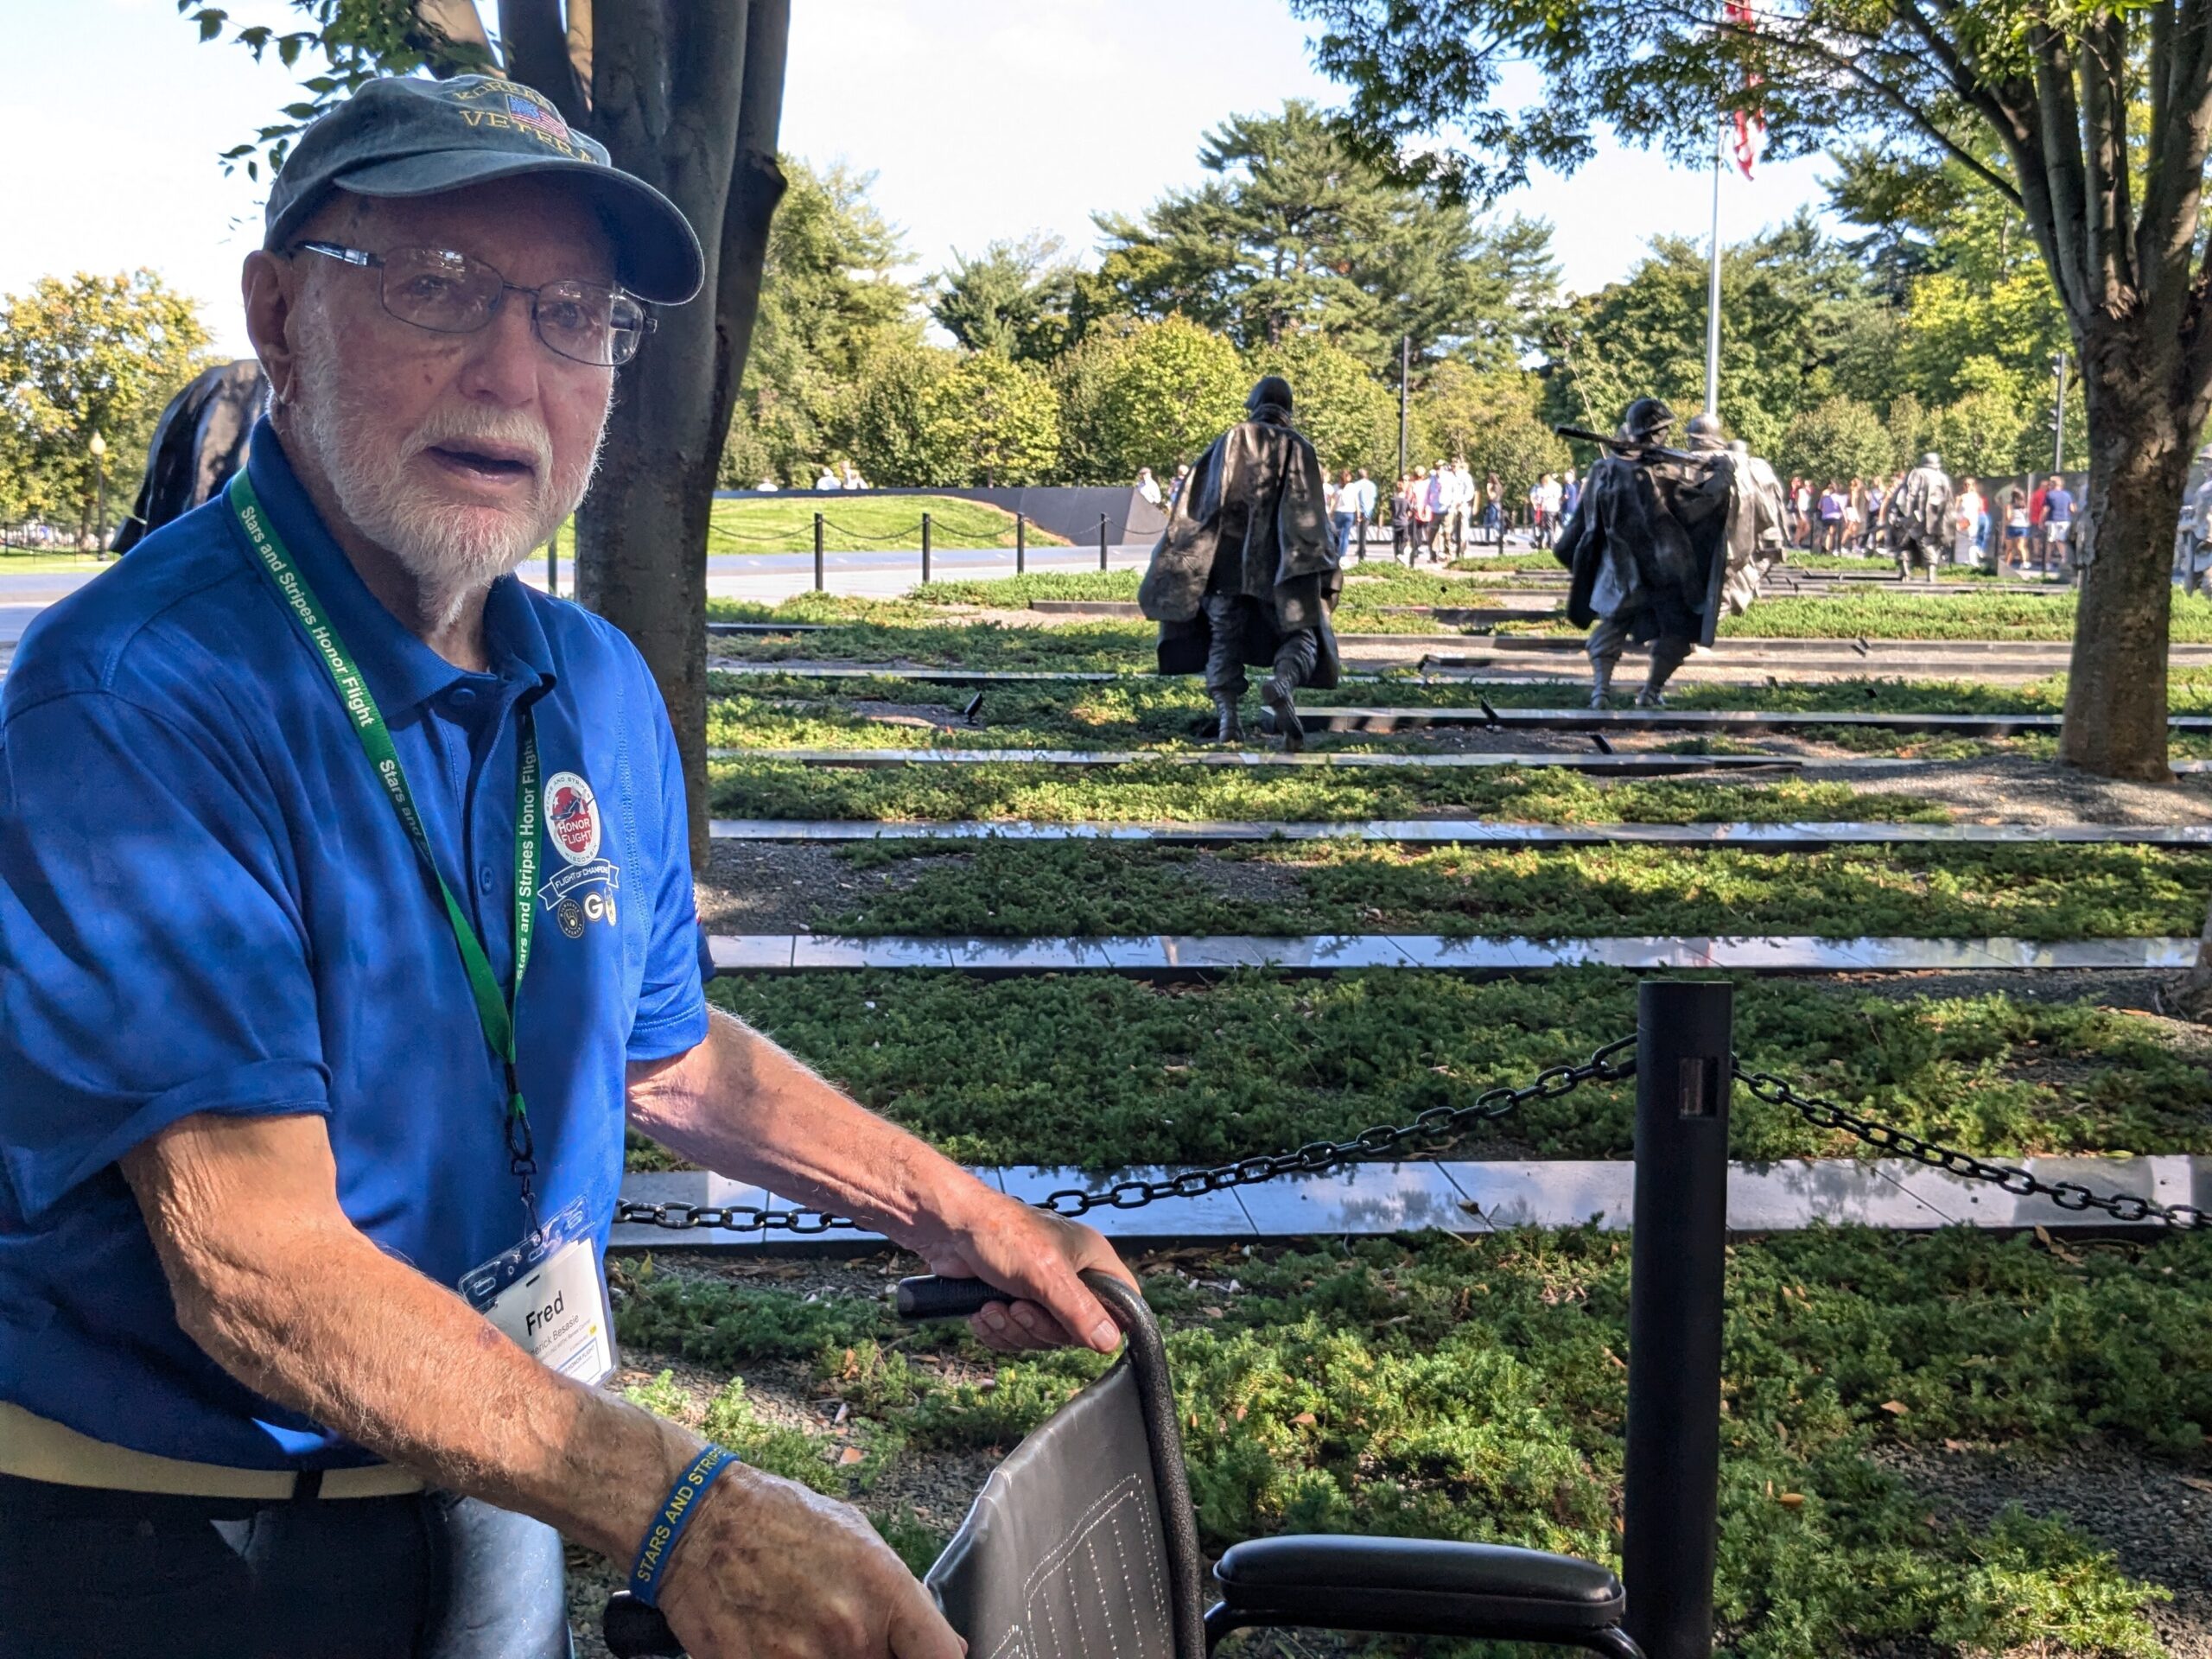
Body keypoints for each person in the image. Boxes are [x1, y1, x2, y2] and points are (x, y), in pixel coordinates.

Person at [0, 74, 1128, 1659]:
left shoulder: (592, 679)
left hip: (499, 1471)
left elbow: (662, 1052)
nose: (511, 374)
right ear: (279, 315)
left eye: (575, 315)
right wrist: (691, 1511)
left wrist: (957, 1210)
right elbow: (257, 1264)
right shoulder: (135, 701)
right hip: (187, 1544)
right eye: (438, 287)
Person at [1138, 374, 1342, 750]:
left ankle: (1228, 721)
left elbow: (1197, 502)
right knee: (1301, 634)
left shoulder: (1228, 440)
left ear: (1255, 404)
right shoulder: (1300, 447)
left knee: (1224, 640)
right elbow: (1311, 516)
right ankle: (1283, 684)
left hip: (1224, 571)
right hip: (1284, 569)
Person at [1554, 397, 1732, 709]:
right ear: (1658, 432)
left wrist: (1574, 555)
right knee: (1677, 630)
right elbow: (1694, 508)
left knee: (1613, 626)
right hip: (1662, 569)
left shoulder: (1603, 470)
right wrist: (1722, 477)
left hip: (1619, 569)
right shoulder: (1663, 472)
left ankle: (1603, 691)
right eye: (1664, 430)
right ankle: (1647, 691)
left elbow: (1581, 525)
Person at [1884, 452, 1955, 578]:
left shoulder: (1915, 474)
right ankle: (1931, 573)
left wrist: (1896, 514)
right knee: (1927, 543)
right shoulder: (1943, 478)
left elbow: (1904, 496)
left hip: (1911, 517)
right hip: (1934, 520)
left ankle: (1905, 571)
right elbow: (1949, 501)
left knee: (1903, 543)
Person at [2041, 474, 2075, 577]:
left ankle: (2047, 564)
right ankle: (2066, 559)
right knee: (2062, 541)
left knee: (2050, 543)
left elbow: (2046, 509)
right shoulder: (2068, 494)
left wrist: (2041, 521)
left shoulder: (2049, 495)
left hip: (2053, 520)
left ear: (2053, 484)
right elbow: (2072, 509)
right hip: (2065, 521)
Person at [1346, 467, 1377, 562]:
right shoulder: (1372, 485)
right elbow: (1374, 498)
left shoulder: (1355, 485)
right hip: (1368, 511)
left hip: (1359, 511)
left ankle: (1361, 550)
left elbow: (1353, 498)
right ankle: (1362, 550)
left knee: (1360, 531)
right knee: (1364, 531)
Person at [1954, 477, 1986, 566]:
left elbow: (1979, 509)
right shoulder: (1960, 497)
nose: (1967, 486)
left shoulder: (1976, 497)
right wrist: (1958, 501)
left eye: (1969, 484)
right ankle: (1961, 562)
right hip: (1962, 522)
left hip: (1972, 522)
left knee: (1972, 541)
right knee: (1961, 542)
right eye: (1965, 484)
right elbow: (1955, 509)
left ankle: (1972, 561)